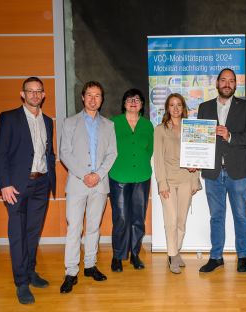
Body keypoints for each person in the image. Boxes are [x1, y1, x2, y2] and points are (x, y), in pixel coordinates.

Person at [0, 77, 56, 304]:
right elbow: (0, 154)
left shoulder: (48, 121)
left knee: (32, 233)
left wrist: (50, 176)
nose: (34, 95)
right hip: (17, 187)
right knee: (18, 235)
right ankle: (21, 282)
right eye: (30, 91)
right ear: (22, 94)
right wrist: (4, 184)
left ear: (43, 95)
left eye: (38, 91)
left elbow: (47, 152)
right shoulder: (9, 117)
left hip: (41, 184)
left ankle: (30, 272)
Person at [197, 68, 246, 273]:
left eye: (231, 81)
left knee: (240, 215)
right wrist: (194, 159)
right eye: (223, 80)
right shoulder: (204, 107)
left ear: (235, 85)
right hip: (213, 171)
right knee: (216, 216)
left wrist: (230, 136)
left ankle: (242, 256)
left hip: (238, 171)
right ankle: (216, 257)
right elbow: (198, 141)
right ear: (217, 83)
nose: (227, 84)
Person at [59, 81, 117, 293]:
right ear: (83, 97)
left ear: (102, 100)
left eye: (98, 96)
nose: (93, 99)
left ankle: (90, 266)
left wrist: (98, 175)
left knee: (93, 227)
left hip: (99, 184)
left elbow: (112, 154)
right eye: (89, 95)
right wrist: (85, 175)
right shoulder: (69, 122)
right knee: (74, 228)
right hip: (77, 183)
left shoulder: (109, 125)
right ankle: (71, 271)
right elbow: (64, 152)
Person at [154, 93, 201, 274]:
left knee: (181, 221)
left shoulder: (192, 129)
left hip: (186, 181)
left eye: (179, 105)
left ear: (183, 108)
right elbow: (158, 158)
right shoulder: (160, 129)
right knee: (171, 220)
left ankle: (176, 250)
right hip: (168, 181)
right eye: (172, 105)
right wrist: (161, 183)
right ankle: (172, 255)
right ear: (167, 108)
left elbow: (197, 157)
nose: (175, 108)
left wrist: (195, 179)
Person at [108, 88, 154, 272]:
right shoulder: (113, 123)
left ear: (142, 105)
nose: (133, 101)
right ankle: (118, 256)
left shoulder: (147, 125)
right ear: (124, 103)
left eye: (137, 99)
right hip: (119, 175)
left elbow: (149, 149)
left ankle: (134, 254)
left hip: (142, 176)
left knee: (138, 218)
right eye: (129, 99)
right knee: (121, 217)